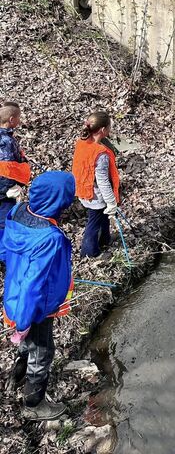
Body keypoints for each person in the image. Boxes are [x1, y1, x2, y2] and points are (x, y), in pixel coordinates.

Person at [3, 170, 75, 421]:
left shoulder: (18, 211)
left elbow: (6, 252)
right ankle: (34, 404)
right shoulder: (50, 238)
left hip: (14, 294)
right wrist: (23, 323)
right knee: (42, 351)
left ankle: (17, 373)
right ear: (59, 202)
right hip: (35, 308)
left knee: (28, 344)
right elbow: (33, 287)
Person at [71, 110, 120, 259]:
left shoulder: (82, 142)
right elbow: (103, 181)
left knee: (103, 218)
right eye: (110, 127)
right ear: (103, 130)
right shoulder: (101, 153)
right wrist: (112, 202)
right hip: (95, 195)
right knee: (94, 222)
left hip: (83, 189)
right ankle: (89, 253)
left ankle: (104, 240)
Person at [0, 102, 31, 260]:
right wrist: (10, 187)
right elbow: (5, 169)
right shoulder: (5, 142)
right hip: (4, 193)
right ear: (11, 119)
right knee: (4, 223)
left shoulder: (6, 137)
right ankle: (5, 258)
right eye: (18, 117)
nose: (20, 120)